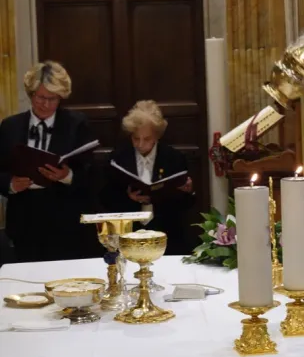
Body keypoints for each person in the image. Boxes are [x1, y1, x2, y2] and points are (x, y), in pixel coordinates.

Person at [0, 61, 97, 262]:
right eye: (40, 97)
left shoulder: (76, 124)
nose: (45, 104)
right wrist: (10, 184)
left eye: (52, 99)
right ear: (30, 94)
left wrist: (67, 176)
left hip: (65, 220)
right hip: (24, 220)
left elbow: (91, 173)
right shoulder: (10, 126)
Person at [100, 100, 195, 255]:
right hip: (129, 233)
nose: (140, 144)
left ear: (157, 136)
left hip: (167, 233)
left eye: (147, 139)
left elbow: (185, 205)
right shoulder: (118, 157)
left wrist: (187, 191)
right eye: (136, 138)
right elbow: (106, 199)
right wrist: (128, 197)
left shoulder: (173, 158)